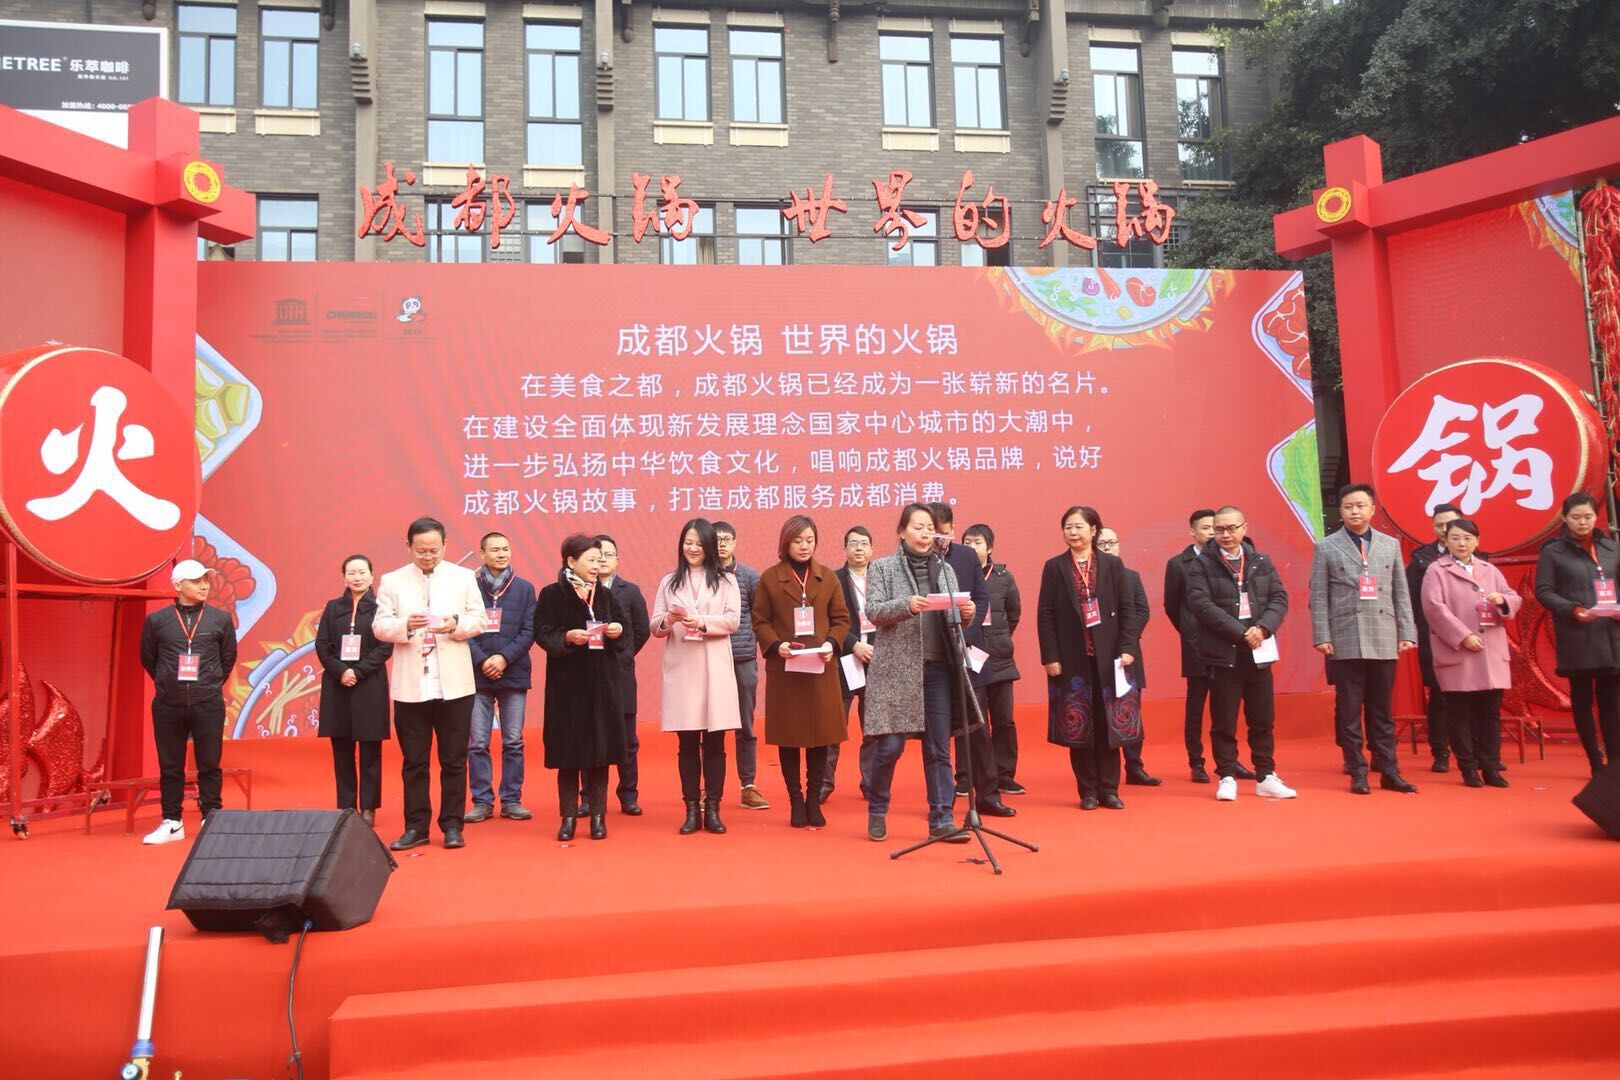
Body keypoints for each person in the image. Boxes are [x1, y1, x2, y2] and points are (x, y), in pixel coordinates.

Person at [862, 503, 977, 842]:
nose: (925, 534)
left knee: (939, 747)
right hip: (896, 671)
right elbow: (873, 611)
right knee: (891, 747)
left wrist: (966, 613)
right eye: (918, 527)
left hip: (939, 670)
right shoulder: (882, 567)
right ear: (902, 532)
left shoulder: (945, 569)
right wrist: (907, 606)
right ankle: (877, 806)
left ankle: (942, 819)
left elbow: (954, 618)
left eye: (930, 528)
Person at [374, 517, 487, 850]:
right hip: (411, 686)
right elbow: (379, 626)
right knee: (414, 762)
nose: (428, 556)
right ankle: (416, 826)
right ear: (408, 546)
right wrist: (405, 626)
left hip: (455, 685)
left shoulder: (463, 577)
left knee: (454, 759)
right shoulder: (392, 581)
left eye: (434, 550)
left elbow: (479, 620)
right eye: (421, 550)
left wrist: (454, 624)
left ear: (445, 546)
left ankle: (452, 825)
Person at [1308, 484, 1419, 795]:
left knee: (1382, 710)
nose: (1354, 511)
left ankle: (1389, 771)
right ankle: (1357, 770)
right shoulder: (1326, 547)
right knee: (1349, 710)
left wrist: (1406, 632)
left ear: (1372, 509)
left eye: (1360, 506)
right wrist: (1322, 635)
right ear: (1340, 512)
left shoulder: (1390, 545)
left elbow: (1401, 591)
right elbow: (1318, 596)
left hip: (1383, 633)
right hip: (1345, 636)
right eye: (1348, 507)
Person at [1185, 507, 1296, 801]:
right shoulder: (1202, 564)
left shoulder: (1260, 560)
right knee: (1224, 719)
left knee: (1262, 718)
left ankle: (1266, 775)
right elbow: (1200, 604)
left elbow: (1279, 597)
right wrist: (1240, 633)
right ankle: (1227, 776)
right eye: (1219, 529)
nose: (1225, 534)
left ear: (1244, 528)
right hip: (1224, 652)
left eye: (1231, 528)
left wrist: (1263, 628)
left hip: (1259, 651)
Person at [1037, 506, 1145, 810]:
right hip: (1072, 659)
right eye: (1068, 527)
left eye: (1079, 527)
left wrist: (1128, 648)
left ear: (1094, 529)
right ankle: (1087, 791)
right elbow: (1045, 614)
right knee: (1079, 726)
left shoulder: (1112, 565)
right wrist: (1050, 655)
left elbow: (1127, 609)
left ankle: (1109, 790)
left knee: (1110, 723)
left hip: (1110, 658)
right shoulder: (1054, 567)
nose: (1073, 532)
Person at [754, 515, 852, 828]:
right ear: (786, 543)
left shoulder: (827, 577)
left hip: (821, 668)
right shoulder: (770, 578)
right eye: (798, 540)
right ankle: (796, 800)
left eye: (809, 540)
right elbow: (760, 621)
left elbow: (841, 619)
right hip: (786, 668)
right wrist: (775, 645)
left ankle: (813, 800)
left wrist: (832, 643)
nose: (804, 546)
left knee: (821, 736)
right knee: (790, 736)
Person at [650, 519, 741, 835]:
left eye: (699, 543)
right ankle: (691, 809)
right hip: (682, 670)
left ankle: (713, 808)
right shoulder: (669, 582)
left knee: (715, 743)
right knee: (687, 744)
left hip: (714, 669)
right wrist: (668, 619)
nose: (692, 548)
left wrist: (701, 621)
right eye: (688, 542)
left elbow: (732, 621)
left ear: (710, 547)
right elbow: (655, 627)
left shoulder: (726, 581)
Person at [534, 534, 627, 841]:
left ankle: (598, 817)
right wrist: (567, 637)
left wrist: (617, 630)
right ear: (571, 561)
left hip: (602, 686)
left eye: (600, 560)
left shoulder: (606, 595)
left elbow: (624, 630)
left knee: (600, 755)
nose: (597, 565)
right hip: (567, 689)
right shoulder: (552, 594)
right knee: (568, 756)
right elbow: (542, 632)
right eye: (591, 560)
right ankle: (568, 817)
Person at [138, 559, 238, 845]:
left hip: (208, 701)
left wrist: (209, 681)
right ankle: (172, 822)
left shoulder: (220, 619)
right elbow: (148, 658)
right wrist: (168, 681)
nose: (204, 585)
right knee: (170, 766)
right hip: (168, 703)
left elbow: (228, 657)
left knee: (209, 763)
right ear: (178, 585)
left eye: (206, 580)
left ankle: (211, 817)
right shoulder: (157, 620)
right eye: (196, 581)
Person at [926, 501, 1014, 820]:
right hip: (933, 657)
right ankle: (943, 802)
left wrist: (967, 629)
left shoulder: (966, 556)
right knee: (938, 733)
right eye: (932, 532)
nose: (937, 539)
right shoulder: (918, 558)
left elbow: (981, 598)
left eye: (943, 532)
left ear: (952, 529)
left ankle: (988, 795)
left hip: (968, 651)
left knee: (979, 728)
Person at [1422, 518, 1521, 788]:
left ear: (1477, 541)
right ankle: (1468, 768)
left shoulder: (1489, 569)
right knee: (1460, 714)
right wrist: (1463, 635)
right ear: (1446, 541)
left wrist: (1503, 601)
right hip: (1459, 651)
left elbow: (1513, 597)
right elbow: (1434, 608)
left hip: (1490, 652)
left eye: (1467, 538)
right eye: (1455, 538)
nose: (1462, 543)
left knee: (1490, 714)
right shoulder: (1436, 570)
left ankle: (1491, 767)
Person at [1534, 493, 1620, 776]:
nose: (1583, 522)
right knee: (1582, 700)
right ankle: (1595, 762)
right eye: (1576, 517)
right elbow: (1544, 590)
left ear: (1596, 517)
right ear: (1564, 518)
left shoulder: (1611, 547)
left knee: (1611, 702)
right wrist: (1573, 609)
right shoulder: (1553, 552)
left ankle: (1615, 763)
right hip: (1577, 633)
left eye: (1588, 517)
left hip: (1611, 634)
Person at [314, 554, 393, 826]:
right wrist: (341, 671)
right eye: (351, 573)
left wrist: (357, 671)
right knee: (342, 751)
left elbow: (385, 646)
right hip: (338, 686)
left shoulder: (382, 607)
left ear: (372, 576)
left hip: (369, 684)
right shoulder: (333, 607)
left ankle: (369, 807)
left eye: (362, 572)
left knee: (370, 751)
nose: (357, 577)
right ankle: (346, 806)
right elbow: (322, 645)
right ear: (344, 577)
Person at [465, 532, 536, 824]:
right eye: (495, 550)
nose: (502, 554)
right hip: (476, 674)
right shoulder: (468, 587)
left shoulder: (524, 588)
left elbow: (529, 631)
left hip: (513, 672)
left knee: (513, 741)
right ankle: (482, 801)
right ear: (482, 554)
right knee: (477, 742)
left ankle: (511, 800)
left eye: (506, 549)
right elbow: (462, 629)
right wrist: (483, 660)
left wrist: (504, 658)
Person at [1165, 509, 1237, 783]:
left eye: (1213, 527)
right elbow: (1172, 606)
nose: (1211, 532)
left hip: (1227, 643)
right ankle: (1196, 762)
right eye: (1205, 528)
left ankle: (1229, 761)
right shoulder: (1178, 564)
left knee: (1226, 707)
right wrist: (1189, 631)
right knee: (1196, 707)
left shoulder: (1227, 560)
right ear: (1192, 532)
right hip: (1197, 646)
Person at [961, 524, 1023, 795]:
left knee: (1004, 720)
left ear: (990, 548)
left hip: (1000, 659)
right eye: (967, 542)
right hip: (970, 658)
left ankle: (1004, 775)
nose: (972, 547)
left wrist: (999, 639)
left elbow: (1013, 615)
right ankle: (966, 777)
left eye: (977, 542)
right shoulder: (957, 575)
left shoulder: (1004, 578)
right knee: (972, 722)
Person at [1406, 502, 1467, 773]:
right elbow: (1410, 599)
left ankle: (1479, 752)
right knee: (1440, 696)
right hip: (1434, 635)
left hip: (1472, 636)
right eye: (1440, 525)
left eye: (1450, 524)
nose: (1445, 530)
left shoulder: (1479, 559)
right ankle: (1440, 752)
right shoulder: (1421, 560)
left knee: (1474, 695)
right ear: (1433, 527)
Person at [1099, 526, 1160, 787]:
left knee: (1130, 711)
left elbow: (1142, 611)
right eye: (1102, 544)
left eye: (1112, 542)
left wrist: (1125, 641)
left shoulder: (1131, 577)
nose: (1108, 547)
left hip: (1127, 654)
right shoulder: (1088, 579)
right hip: (1099, 654)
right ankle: (1105, 770)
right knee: (1103, 712)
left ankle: (1135, 767)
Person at [715, 520, 769, 811]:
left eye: (727, 539)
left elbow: (760, 619)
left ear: (735, 542)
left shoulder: (749, 577)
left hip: (742, 658)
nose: (722, 544)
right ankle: (709, 790)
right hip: (710, 659)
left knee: (745, 725)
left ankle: (748, 786)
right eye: (716, 539)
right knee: (709, 727)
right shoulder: (701, 577)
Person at [597, 534, 652, 816]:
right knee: (592, 738)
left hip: (620, 674)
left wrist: (624, 653)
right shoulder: (580, 591)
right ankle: (590, 797)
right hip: (590, 676)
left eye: (608, 554)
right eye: (597, 555)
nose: (603, 559)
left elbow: (641, 630)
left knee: (627, 740)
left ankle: (628, 794)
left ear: (618, 559)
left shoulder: (629, 591)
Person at [830, 525, 877, 801]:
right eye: (853, 543)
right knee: (835, 725)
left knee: (872, 728)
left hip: (877, 658)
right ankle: (824, 784)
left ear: (872, 549)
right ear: (844, 549)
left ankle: (871, 782)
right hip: (845, 658)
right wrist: (853, 644)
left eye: (863, 543)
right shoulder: (834, 580)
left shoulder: (882, 578)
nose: (858, 548)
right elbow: (829, 620)